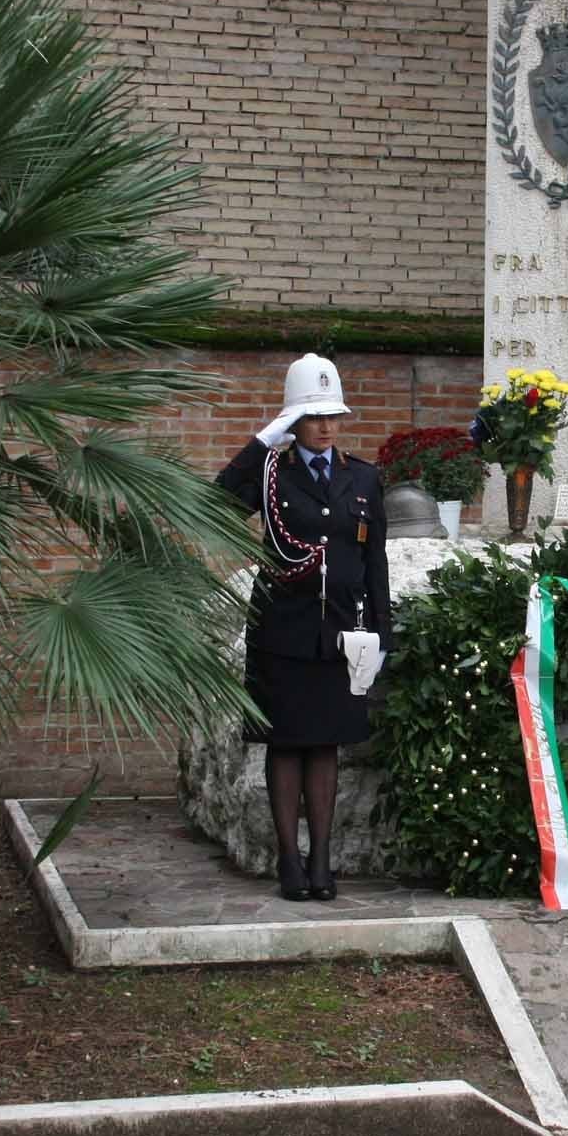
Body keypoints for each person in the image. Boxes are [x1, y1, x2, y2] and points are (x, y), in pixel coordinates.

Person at [217, 353, 392, 902]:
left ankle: (322, 861)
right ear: (293, 420)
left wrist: (380, 633)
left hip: (341, 634)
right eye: (312, 416)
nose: (324, 426)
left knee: (325, 747)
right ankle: (288, 863)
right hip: (282, 632)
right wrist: (260, 444)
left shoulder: (362, 477)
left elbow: (375, 562)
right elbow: (214, 503)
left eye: (332, 415)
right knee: (285, 745)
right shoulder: (272, 474)